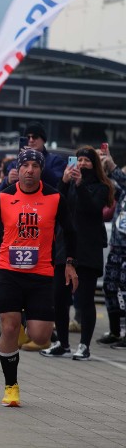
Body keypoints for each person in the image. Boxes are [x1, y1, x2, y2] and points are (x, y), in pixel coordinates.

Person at [0, 148, 77, 407]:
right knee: (10, 327)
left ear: (40, 170)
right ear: (19, 168)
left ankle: (25, 320)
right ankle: (11, 386)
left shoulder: (54, 197)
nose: (29, 170)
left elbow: (71, 232)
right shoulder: (3, 197)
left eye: (35, 166)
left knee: (40, 336)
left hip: (41, 274)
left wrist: (70, 263)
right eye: (25, 165)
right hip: (8, 272)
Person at [40, 146, 113, 360]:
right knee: (59, 297)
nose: (81, 164)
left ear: (94, 165)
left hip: (88, 250)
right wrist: (63, 181)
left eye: (86, 160)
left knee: (85, 299)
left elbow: (92, 209)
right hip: (65, 248)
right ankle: (62, 343)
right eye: (79, 160)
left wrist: (80, 185)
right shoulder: (69, 185)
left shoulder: (101, 187)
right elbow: (54, 205)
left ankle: (84, 345)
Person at [101, 149, 126, 347]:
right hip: (117, 246)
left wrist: (113, 167)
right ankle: (116, 331)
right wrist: (103, 170)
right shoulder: (123, 190)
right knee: (110, 286)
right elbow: (110, 187)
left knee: (125, 289)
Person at [0, 121, 65, 190]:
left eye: (35, 137)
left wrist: (37, 159)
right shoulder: (15, 163)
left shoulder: (56, 161)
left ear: (43, 140)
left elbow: (58, 184)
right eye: (28, 137)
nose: (31, 140)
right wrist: (7, 181)